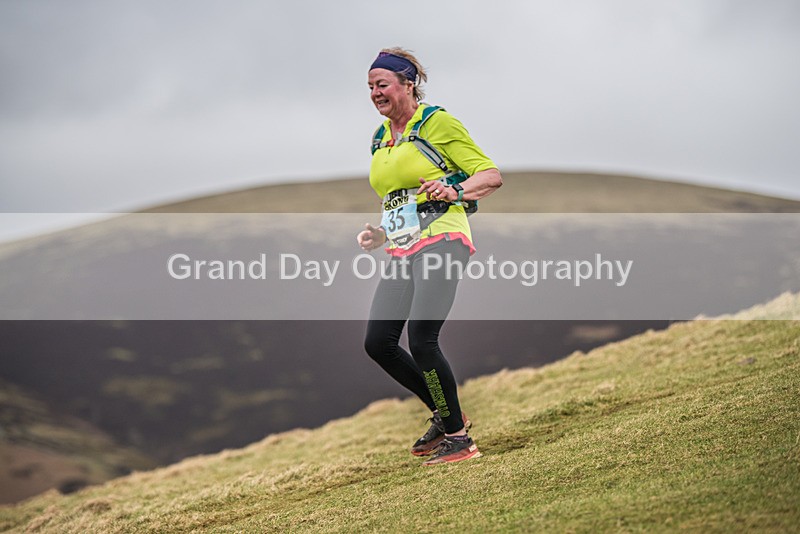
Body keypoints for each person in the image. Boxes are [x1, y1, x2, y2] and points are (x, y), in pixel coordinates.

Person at [357, 47, 502, 465]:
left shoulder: (437, 123)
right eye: (369, 87)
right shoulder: (379, 138)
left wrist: (454, 190)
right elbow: (398, 199)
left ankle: (460, 439)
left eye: (382, 84)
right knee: (378, 342)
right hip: (405, 246)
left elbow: (490, 175)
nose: (375, 93)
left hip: (443, 239)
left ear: (407, 84)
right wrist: (381, 233)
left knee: (422, 337)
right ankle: (446, 413)